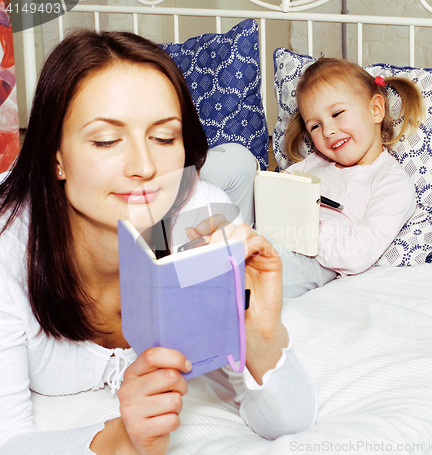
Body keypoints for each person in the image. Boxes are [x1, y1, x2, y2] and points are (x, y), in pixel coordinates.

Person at [0, 30, 317, 454]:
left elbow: (289, 422)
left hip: (193, 205)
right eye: (107, 140)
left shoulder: (203, 217)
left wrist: (259, 334)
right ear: (55, 155)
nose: (145, 166)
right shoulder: (8, 255)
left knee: (234, 169)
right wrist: (120, 441)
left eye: (165, 138)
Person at [278, 58, 423, 297]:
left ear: (375, 109)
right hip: (266, 235)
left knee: (255, 265)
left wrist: (306, 229)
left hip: (314, 261)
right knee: (236, 159)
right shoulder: (315, 162)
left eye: (337, 113)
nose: (328, 131)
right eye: (315, 126)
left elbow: (361, 251)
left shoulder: (391, 182)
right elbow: (278, 192)